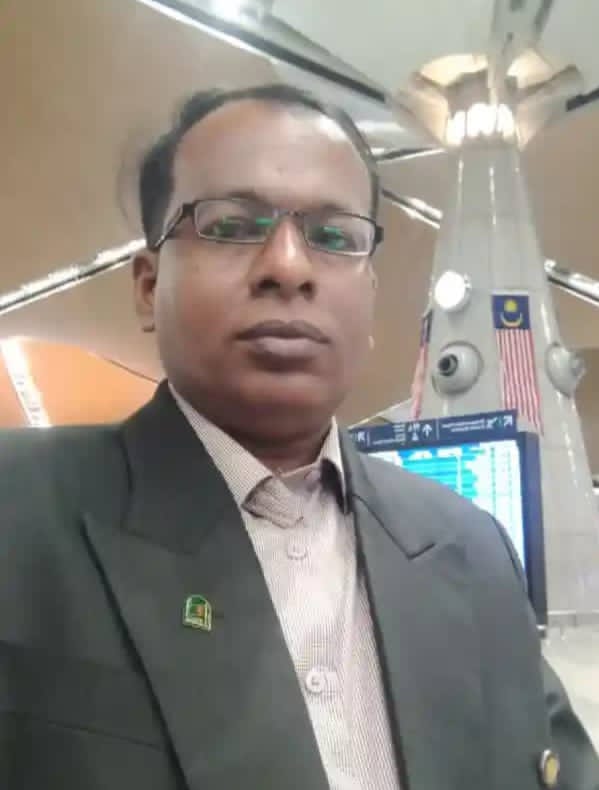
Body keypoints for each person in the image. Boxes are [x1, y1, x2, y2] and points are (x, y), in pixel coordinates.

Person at [0, 84, 597, 790]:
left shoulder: (471, 548)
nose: (287, 266)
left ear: (369, 293)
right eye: (230, 226)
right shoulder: (20, 514)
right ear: (147, 285)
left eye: (334, 237)